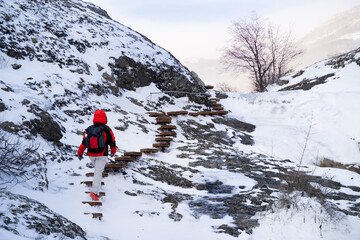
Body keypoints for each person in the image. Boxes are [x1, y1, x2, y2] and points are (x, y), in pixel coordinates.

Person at [78, 110, 116, 201]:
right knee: (98, 172)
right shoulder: (106, 129)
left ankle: (96, 188)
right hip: (102, 154)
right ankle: (94, 192)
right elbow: (112, 140)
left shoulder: (89, 129)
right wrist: (113, 151)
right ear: (104, 118)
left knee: (97, 171)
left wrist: (80, 153)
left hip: (91, 154)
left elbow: (84, 142)